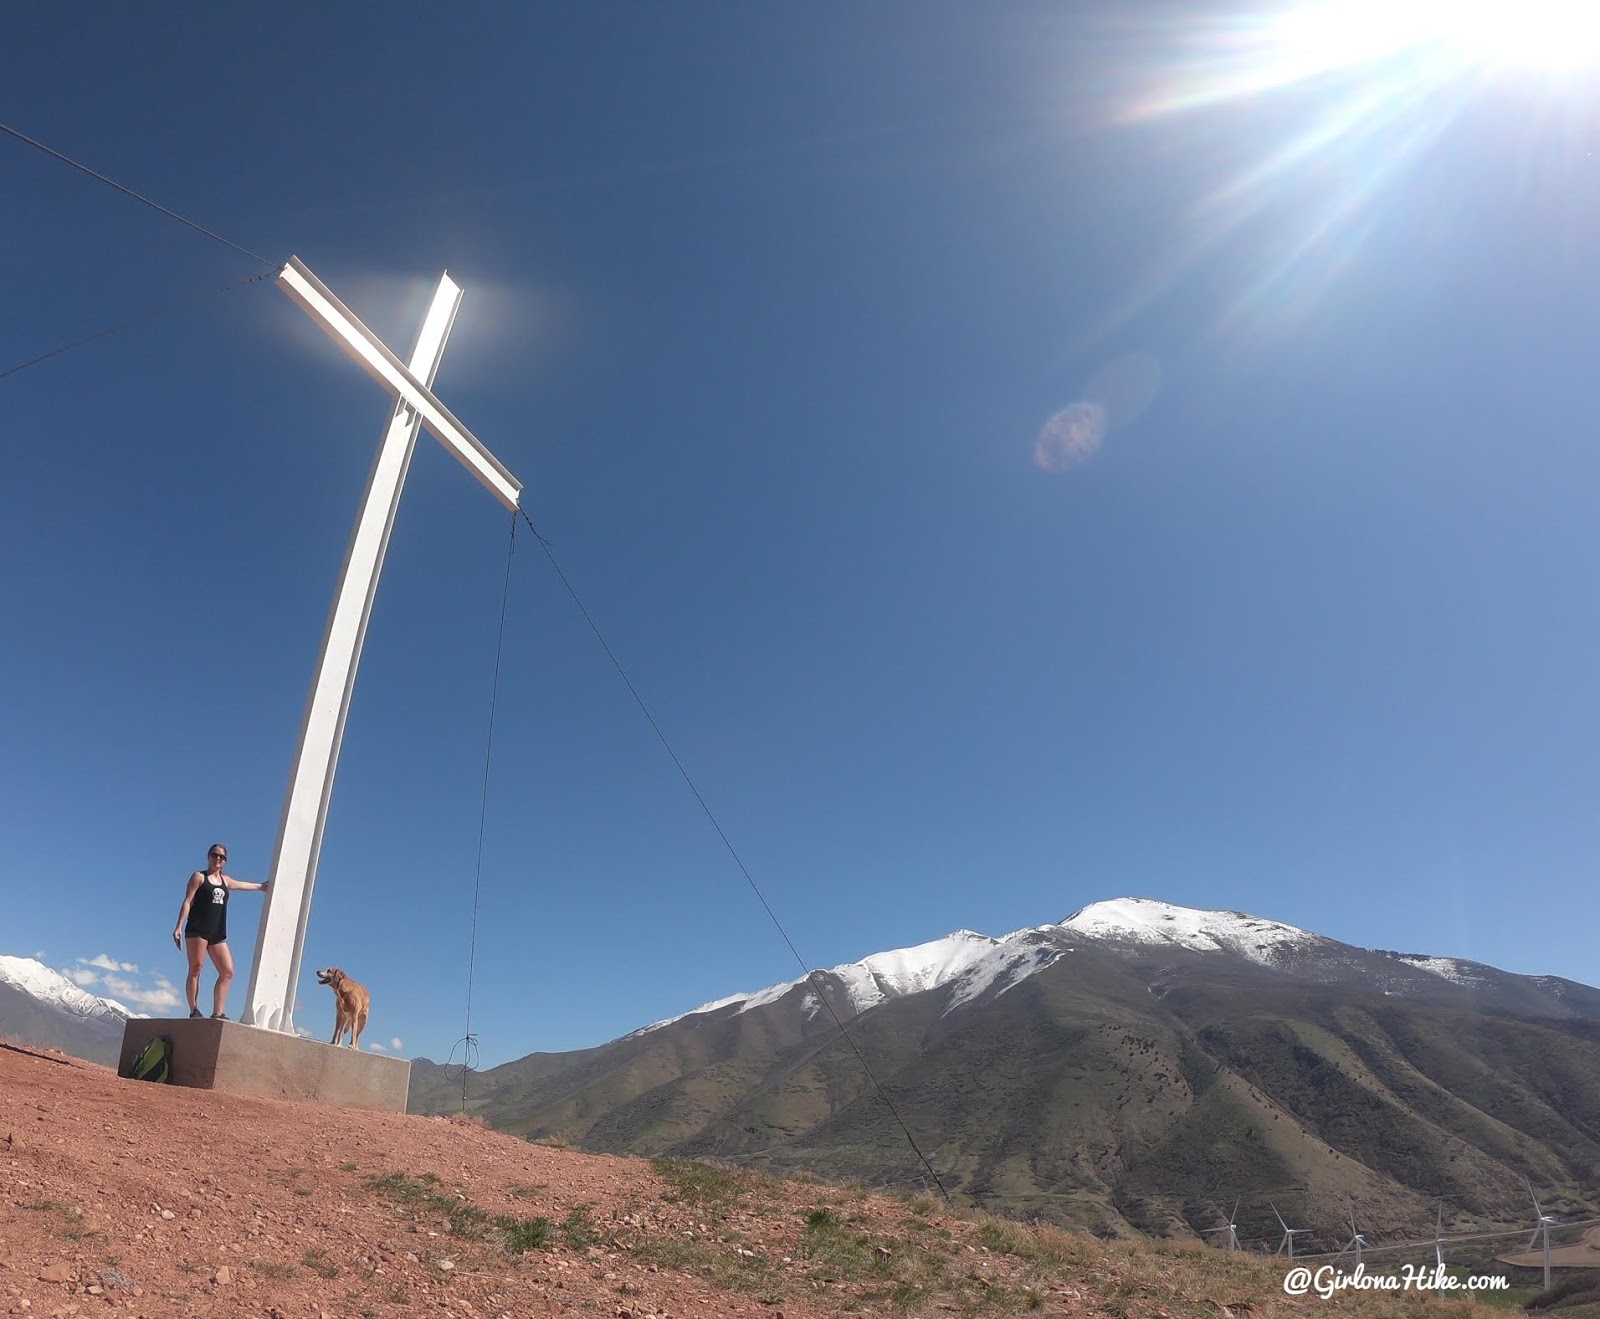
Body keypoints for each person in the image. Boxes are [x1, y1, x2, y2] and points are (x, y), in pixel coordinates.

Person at [172, 844, 269, 1020]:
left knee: (227, 971)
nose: (218, 858)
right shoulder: (199, 877)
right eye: (215, 855)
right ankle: (194, 1010)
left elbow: (241, 885)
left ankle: (218, 1012)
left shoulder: (226, 880)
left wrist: (262, 887)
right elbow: (187, 901)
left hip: (217, 932)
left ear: (225, 861)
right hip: (197, 930)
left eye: (222, 857)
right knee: (196, 968)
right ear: (209, 856)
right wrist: (179, 925)